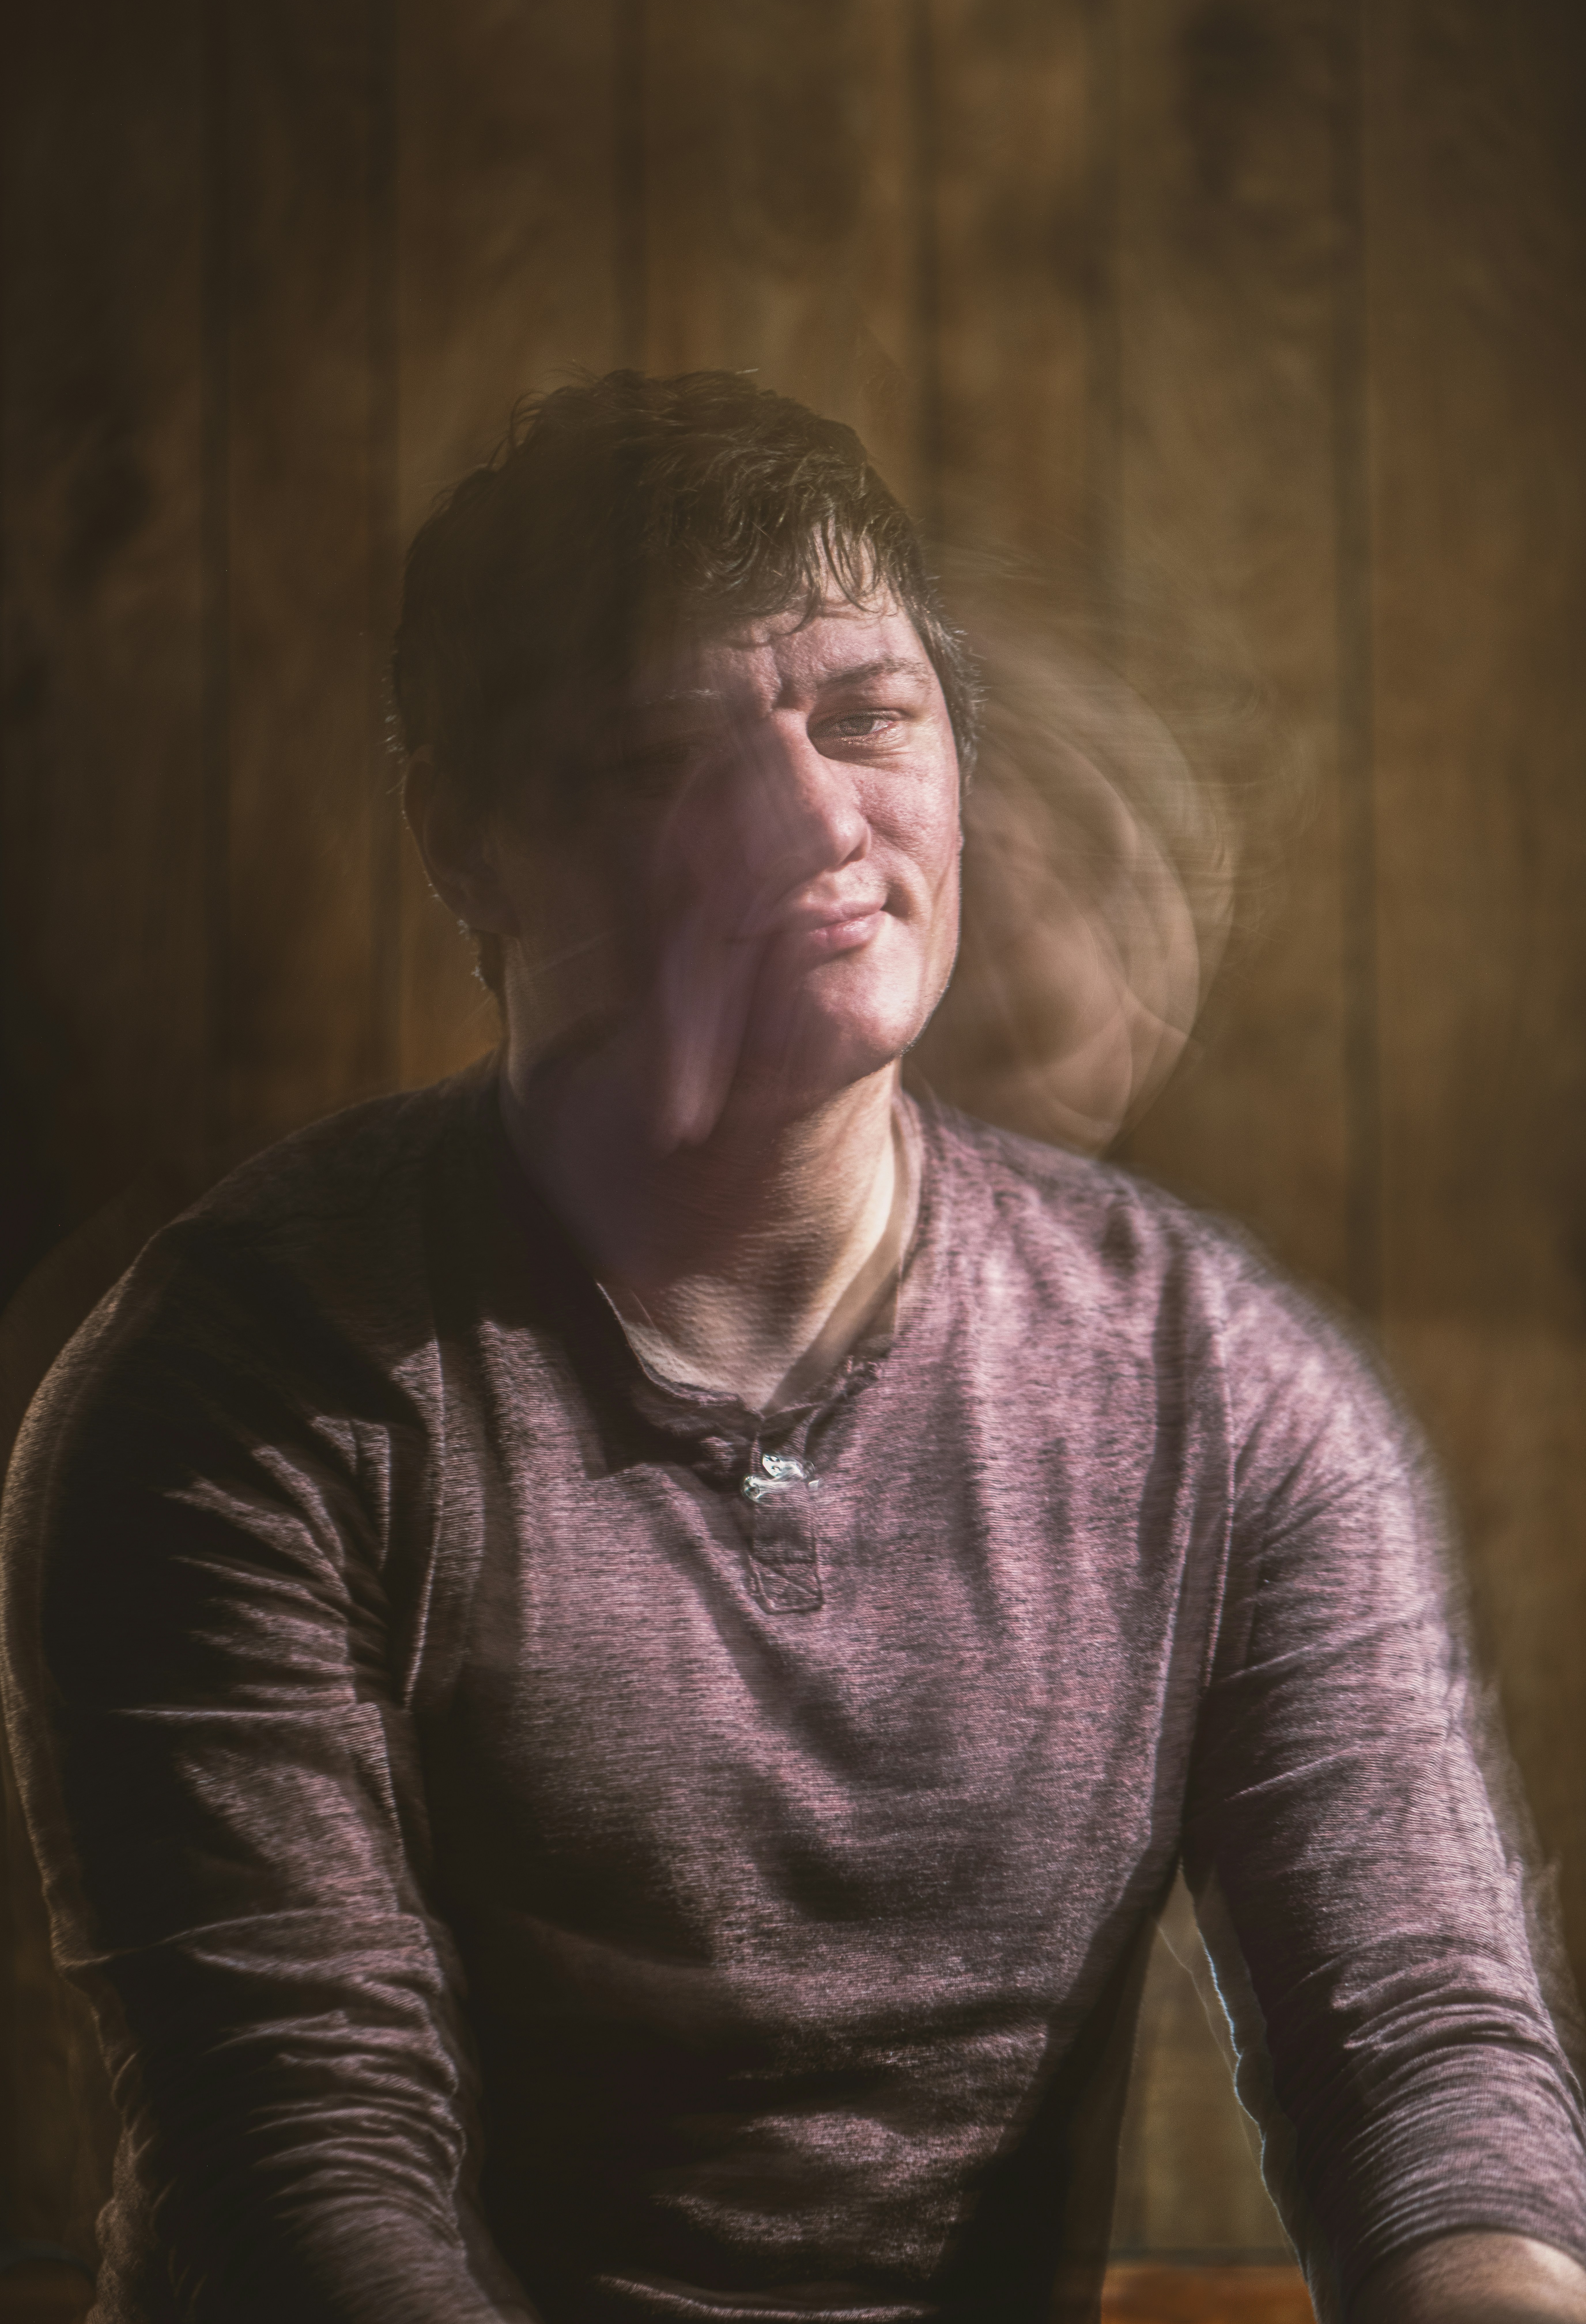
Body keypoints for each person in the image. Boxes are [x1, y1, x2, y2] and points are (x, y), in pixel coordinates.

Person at [2, 371, 1584, 2324]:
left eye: (867, 715)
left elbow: (1420, 2049)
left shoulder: (1219, 1385)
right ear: (471, 841)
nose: (813, 817)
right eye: (670, 749)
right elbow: (301, 2163)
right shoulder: (242, 1392)